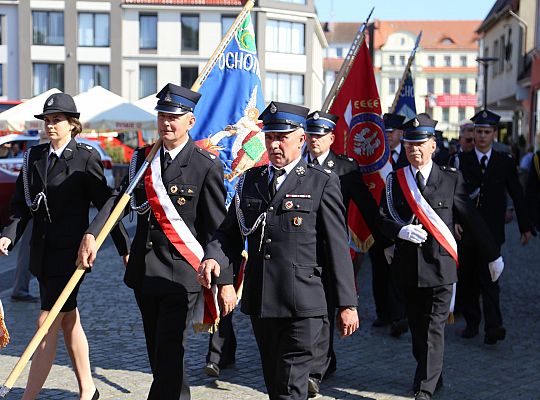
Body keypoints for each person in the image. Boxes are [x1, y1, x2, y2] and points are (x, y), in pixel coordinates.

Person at [78, 83, 236, 400]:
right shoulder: (142, 159)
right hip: (145, 273)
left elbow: (219, 227)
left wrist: (226, 280)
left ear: (190, 121)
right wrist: (92, 233)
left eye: (174, 116)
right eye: (162, 115)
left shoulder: (205, 165)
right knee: (158, 353)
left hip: (182, 275)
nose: (166, 122)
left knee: (169, 349)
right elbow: (118, 200)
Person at [198, 101, 359, 400]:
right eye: (270, 137)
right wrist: (213, 257)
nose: (274, 144)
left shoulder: (321, 182)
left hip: (304, 305)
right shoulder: (251, 181)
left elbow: (337, 246)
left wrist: (347, 303)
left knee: (290, 385)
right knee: (274, 384)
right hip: (263, 302)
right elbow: (229, 233)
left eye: (282, 137)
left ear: (301, 139)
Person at [0, 92, 130, 400]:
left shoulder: (86, 157)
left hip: (73, 257)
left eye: (57, 120)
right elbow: (21, 205)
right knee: (68, 319)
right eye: (47, 120)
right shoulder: (34, 157)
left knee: (46, 321)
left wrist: (124, 248)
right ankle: (89, 389)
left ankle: (27, 397)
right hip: (42, 254)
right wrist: (8, 235)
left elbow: (108, 205)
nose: (50, 125)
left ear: (73, 124)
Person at [379, 114, 503, 400]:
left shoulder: (450, 178)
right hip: (408, 268)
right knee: (418, 330)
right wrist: (400, 231)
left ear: (433, 145)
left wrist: (493, 255)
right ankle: (432, 373)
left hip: (441, 268)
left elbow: (471, 218)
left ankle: (424, 387)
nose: (414, 149)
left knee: (434, 328)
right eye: (409, 144)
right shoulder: (396, 180)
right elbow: (382, 218)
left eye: (420, 143)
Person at [303, 110, 383, 395]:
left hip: (333, 250)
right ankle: (321, 361)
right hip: (302, 252)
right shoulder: (297, 165)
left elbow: (366, 208)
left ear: (331, 138)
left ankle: (315, 371)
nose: (314, 139)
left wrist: (387, 239)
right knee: (311, 312)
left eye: (320, 135)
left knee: (325, 310)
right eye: (311, 133)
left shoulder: (345, 169)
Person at [457, 109, 533, 345]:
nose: (481, 136)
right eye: (478, 131)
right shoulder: (462, 160)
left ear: (494, 135)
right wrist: (455, 223)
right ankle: (472, 322)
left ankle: (493, 326)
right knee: (468, 279)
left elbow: (517, 194)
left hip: (492, 232)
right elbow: (451, 197)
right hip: (468, 231)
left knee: (491, 278)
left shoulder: (504, 162)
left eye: (486, 132)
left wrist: (525, 227)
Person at [11, 132, 50, 304]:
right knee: (26, 253)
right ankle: (20, 289)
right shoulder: (35, 157)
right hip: (35, 213)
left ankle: (21, 288)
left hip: (38, 214)